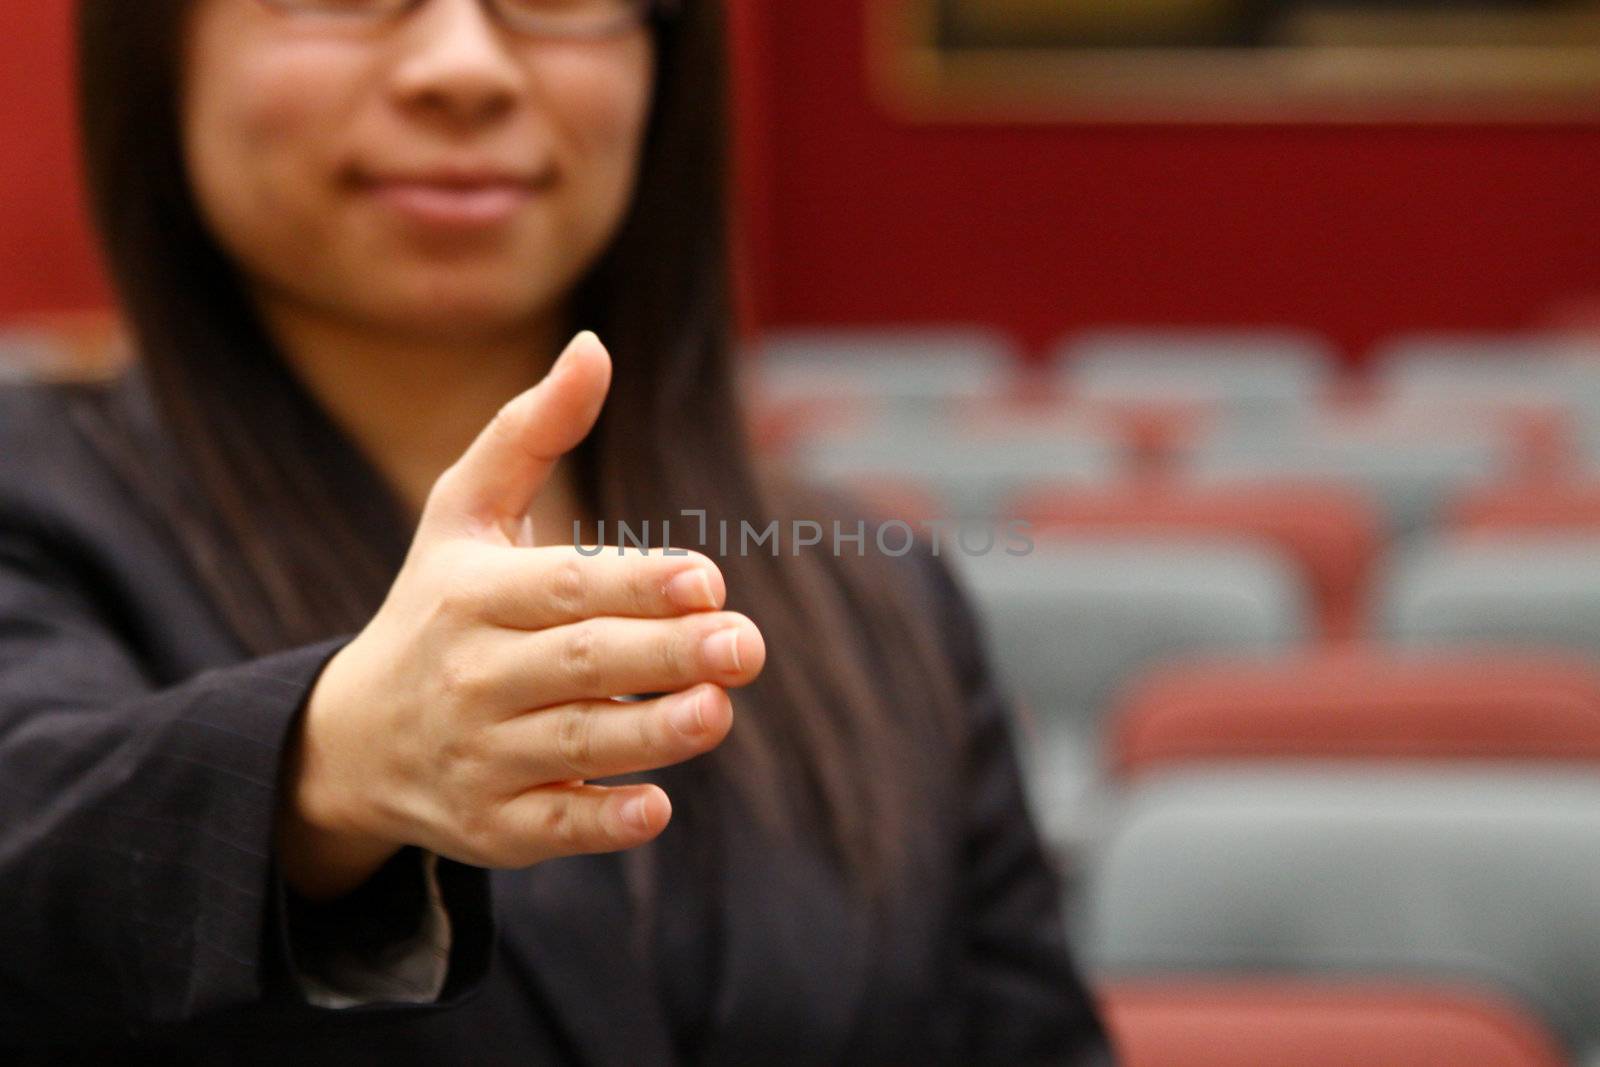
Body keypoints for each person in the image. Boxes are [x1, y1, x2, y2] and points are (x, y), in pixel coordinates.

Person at [0, 0, 1112, 1061]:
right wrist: (317, 770)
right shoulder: (38, 498)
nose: (464, 66)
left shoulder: (877, 590)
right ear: (157, 46)